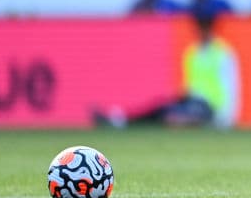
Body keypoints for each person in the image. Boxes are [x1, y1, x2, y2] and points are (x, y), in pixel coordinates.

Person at [95, 12, 240, 128]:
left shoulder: (222, 53)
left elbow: (232, 86)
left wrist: (225, 120)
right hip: (192, 102)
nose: (201, 31)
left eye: (204, 27)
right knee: (161, 107)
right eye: (199, 27)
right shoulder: (192, 53)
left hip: (210, 108)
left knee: (170, 116)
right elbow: (191, 85)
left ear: (211, 28)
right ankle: (120, 120)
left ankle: (122, 122)